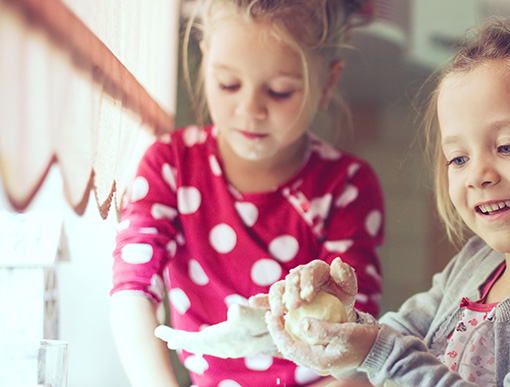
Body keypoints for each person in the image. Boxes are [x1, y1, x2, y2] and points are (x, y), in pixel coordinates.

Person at [257, 14, 510, 386]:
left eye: (507, 146)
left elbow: (388, 354)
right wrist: (338, 319)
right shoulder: (474, 264)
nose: (478, 175)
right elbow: (393, 341)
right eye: (459, 158)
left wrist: (377, 350)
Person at [109, 1, 385, 386]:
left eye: (279, 91)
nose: (250, 107)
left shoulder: (347, 185)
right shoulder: (170, 165)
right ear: (206, 61)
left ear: (328, 83)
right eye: (229, 84)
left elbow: (353, 345)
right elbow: (132, 291)